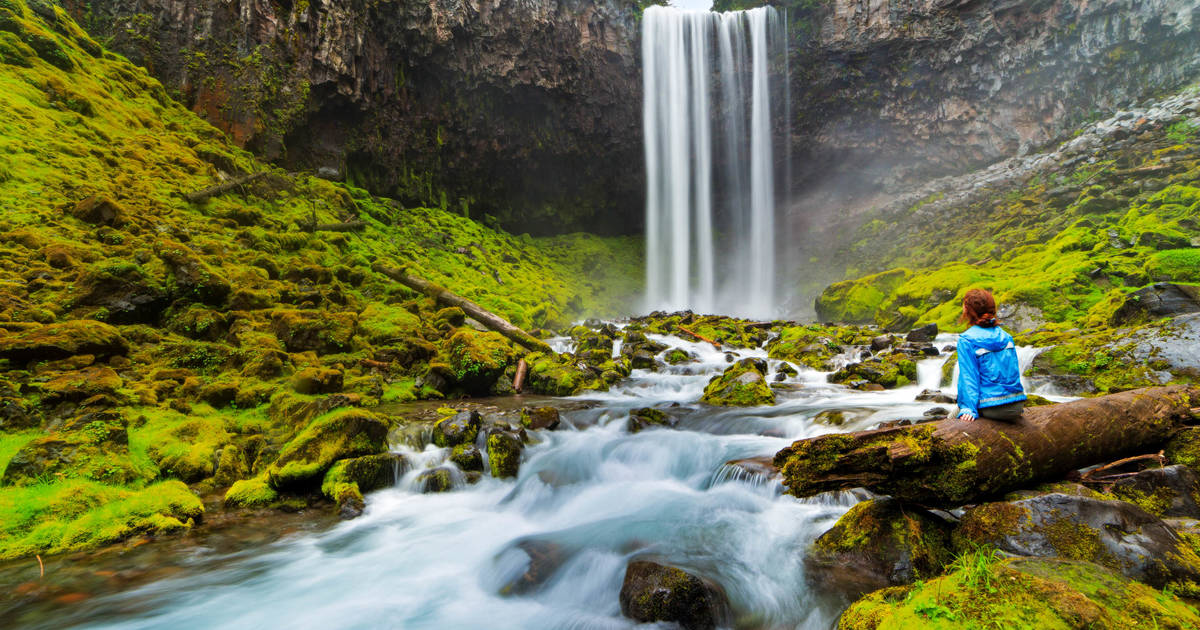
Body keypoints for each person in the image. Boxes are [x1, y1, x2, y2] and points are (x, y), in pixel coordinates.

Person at [955, 289, 1026, 422]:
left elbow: (968, 377)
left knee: (952, 416)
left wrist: (968, 409)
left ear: (967, 310)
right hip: (1017, 404)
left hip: (993, 407)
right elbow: (1013, 372)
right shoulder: (1006, 337)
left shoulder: (967, 340)